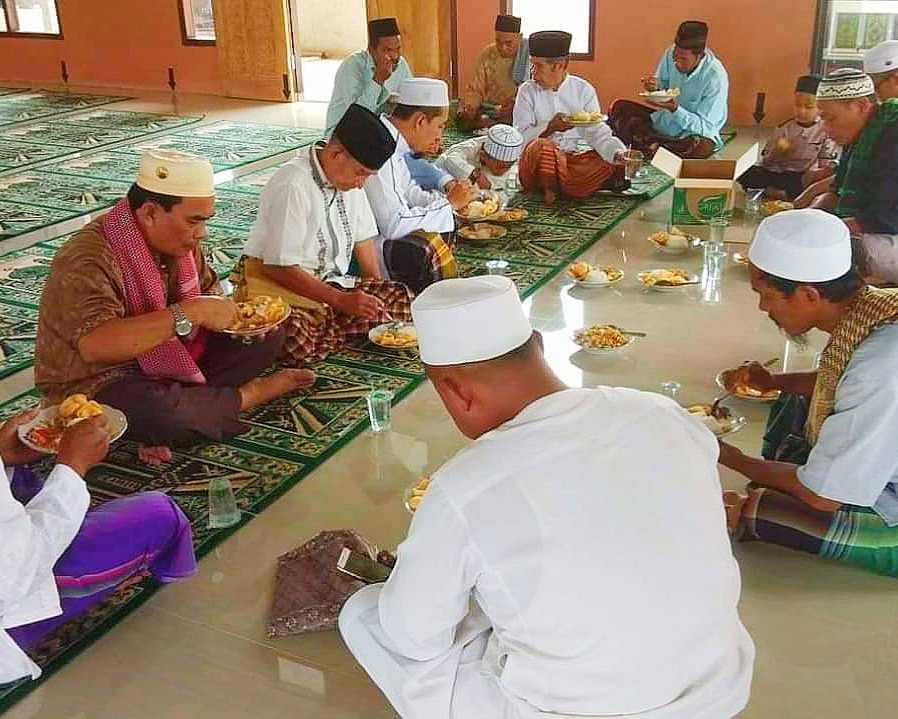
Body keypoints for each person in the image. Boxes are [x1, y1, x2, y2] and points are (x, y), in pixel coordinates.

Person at [339, 275, 754, 719]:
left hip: (577, 712)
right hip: (717, 691)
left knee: (367, 616)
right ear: (538, 344)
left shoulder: (466, 486)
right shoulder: (663, 414)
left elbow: (413, 639)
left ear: (455, 391)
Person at [34, 150, 313, 466]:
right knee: (165, 415)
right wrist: (190, 312)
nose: (202, 233)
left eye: (205, 221)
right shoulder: (88, 258)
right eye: (194, 221)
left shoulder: (180, 243)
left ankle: (198, 402)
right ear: (150, 212)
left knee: (268, 335)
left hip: (173, 355)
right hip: (101, 380)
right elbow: (96, 347)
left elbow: (209, 297)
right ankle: (249, 395)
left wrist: (236, 316)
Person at [718, 209, 898, 577]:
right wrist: (775, 383)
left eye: (765, 294)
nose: (762, 307)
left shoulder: (883, 361)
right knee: (793, 404)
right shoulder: (874, 307)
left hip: (888, 495)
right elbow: (838, 381)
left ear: (808, 294)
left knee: (757, 512)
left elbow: (823, 497)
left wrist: (729, 457)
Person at [1, 409, 196, 684]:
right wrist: (71, 469)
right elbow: (16, 568)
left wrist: (2, 457)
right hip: (12, 593)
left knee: (19, 477)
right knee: (159, 514)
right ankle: (137, 566)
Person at [235, 104, 413, 366]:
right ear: (337, 154)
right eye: (360, 173)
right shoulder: (293, 184)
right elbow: (278, 266)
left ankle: (330, 327)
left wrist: (374, 293)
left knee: (401, 298)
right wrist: (341, 301)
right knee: (296, 340)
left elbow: (364, 242)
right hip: (281, 286)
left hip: (331, 283)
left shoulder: (351, 185)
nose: (361, 183)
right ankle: (329, 324)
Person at [365, 78, 476, 294]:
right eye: (440, 126)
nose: (440, 136)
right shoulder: (379, 146)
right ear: (420, 121)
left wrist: (447, 201)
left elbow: (409, 190)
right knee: (428, 244)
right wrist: (448, 205)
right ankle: (428, 300)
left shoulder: (394, 142)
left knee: (445, 217)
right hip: (369, 247)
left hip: (389, 229)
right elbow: (393, 225)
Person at [805, 69, 898, 284]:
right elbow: (836, 192)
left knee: (839, 250)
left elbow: (885, 217)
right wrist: (805, 217)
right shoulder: (861, 133)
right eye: (822, 119)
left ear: (861, 106)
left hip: (889, 229)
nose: (826, 129)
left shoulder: (892, 135)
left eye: (831, 119)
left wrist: (824, 230)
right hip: (880, 227)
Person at [514, 31, 627, 205]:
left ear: (559, 65)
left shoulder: (583, 89)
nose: (533, 73)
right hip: (536, 166)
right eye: (532, 65)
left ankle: (567, 184)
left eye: (538, 66)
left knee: (605, 161)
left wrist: (618, 153)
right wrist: (549, 128)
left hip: (569, 162)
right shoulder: (527, 91)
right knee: (544, 148)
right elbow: (519, 139)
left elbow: (597, 133)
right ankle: (553, 188)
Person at [609, 21, 729, 159]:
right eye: (675, 57)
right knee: (619, 108)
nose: (676, 63)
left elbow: (706, 127)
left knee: (697, 145)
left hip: (690, 134)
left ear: (700, 56)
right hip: (664, 123)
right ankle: (656, 148)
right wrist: (654, 87)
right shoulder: (671, 52)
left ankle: (649, 147)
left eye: (683, 59)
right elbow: (661, 85)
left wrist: (676, 110)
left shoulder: (715, 78)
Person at [738, 75, 838, 200]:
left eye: (808, 107)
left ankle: (775, 193)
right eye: (797, 105)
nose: (801, 111)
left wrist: (820, 174)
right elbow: (766, 162)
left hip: (802, 176)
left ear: (820, 108)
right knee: (745, 172)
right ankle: (777, 192)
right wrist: (777, 151)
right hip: (778, 174)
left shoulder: (825, 130)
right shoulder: (784, 128)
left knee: (825, 182)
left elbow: (824, 165)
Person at [325, 17, 412, 136]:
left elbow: (411, 100)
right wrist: (378, 80)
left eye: (397, 49)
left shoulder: (400, 64)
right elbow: (357, 117)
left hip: (376, 130)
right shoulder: (352, 66)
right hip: (344, 133)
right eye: (387, 50)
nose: (394, 55)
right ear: (372, 49)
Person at [457, 14, 527, 132]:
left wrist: (515, 104)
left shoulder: (528, 55)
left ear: (519, 37)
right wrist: (469, 107)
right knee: (460, 113)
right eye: (498, 42)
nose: (503, 47)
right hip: (492, 109)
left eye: (508, 43)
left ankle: (490, 125)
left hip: (518, 110)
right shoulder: (488, 54)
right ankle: (488, 124)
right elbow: (475, 90)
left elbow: (534, 90)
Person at [437, 123, 523, 192]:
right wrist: (475, 174)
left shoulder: (514, 165)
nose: (505, 170)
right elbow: (450, 159)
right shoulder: (469, 148)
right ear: (483, 156)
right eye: (500, 166)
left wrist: (490, 185)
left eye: (509, 165)